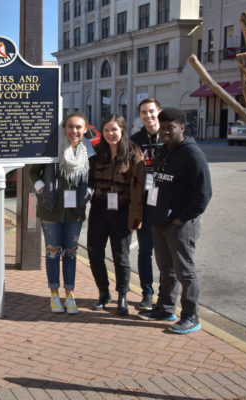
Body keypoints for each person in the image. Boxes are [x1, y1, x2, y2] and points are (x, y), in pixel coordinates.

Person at [138, 108, 212, 334]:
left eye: (170, 128)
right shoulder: (163, 151)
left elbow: (203, 194)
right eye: (163, 128)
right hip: (160, 221)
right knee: (165, 269)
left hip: (181, 225)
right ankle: (165, 307)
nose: (165, 132)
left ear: (182, 127)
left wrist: (181, 218)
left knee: (184, 271)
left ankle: (190, 316)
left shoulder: (192, 154)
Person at [29, 112, 95, 314]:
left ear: (85, 130)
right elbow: (33, 172)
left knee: (71, 253)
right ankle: (54, 294)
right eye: (70, 126)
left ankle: (70, 294)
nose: (74, 131)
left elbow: (93, 178)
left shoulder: (89, 151)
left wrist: (89, 193)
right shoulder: (53, 149)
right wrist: (42, 189)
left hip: (75, 211)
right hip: (51, 210)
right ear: (64, 128)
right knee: (53, 251)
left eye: (78, 127)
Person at [87, 114, 145, 316]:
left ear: (122, 130)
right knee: (94, 252)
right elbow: (88, 180)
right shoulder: (97, 152)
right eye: (107, 130)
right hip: (99, 208)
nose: (111, 134)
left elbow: (138, 188)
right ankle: (103, 292)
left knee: (120, 255)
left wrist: (136, 216)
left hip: (123, 210)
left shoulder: (133, 153)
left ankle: (122, 295)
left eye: (114, 130)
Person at [130, 98, 163, 310]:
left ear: (158, 112)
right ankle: (147, 293)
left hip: (165, 202)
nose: (148, 115)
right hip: (143, 203)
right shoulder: (135, 140)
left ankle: (166, 295)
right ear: (140, 116)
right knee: (145, 250)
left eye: (151, 111)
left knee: (166, 253)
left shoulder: (170, 137)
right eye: (144, 112)